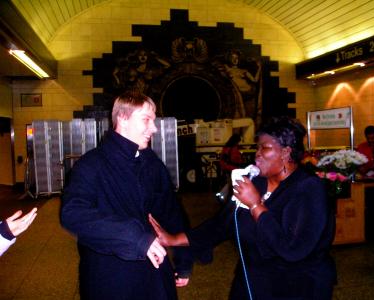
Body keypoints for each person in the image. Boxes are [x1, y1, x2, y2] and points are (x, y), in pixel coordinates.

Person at [150, 116, 337, 300]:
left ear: (286, 153)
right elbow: (221, 225)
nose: (258, 154)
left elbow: (292, 249)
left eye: (265, 148)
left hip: (297, 285)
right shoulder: (257, 183)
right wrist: (173, 239)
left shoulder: (309, 188)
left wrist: (255, 205)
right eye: (258, 147)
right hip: (253, 280)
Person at [60, 90, 191, 300]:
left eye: (154, 120)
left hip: (154, 269)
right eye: (146, 120)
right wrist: (134, 237)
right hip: (109, 275)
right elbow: (73, 213)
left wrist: (184, 259)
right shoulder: (91, 165)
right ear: (123, 118)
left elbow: (171, 212)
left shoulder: (152, 164)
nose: (154, 128)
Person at [216, 133, 245, 202]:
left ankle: (221, 196)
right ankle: (222, 196)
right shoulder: (234, 149)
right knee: (231, 183)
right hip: (232, 168)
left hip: (226, 167)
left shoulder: (226, 147)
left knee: (229, 183)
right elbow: (236, 160)